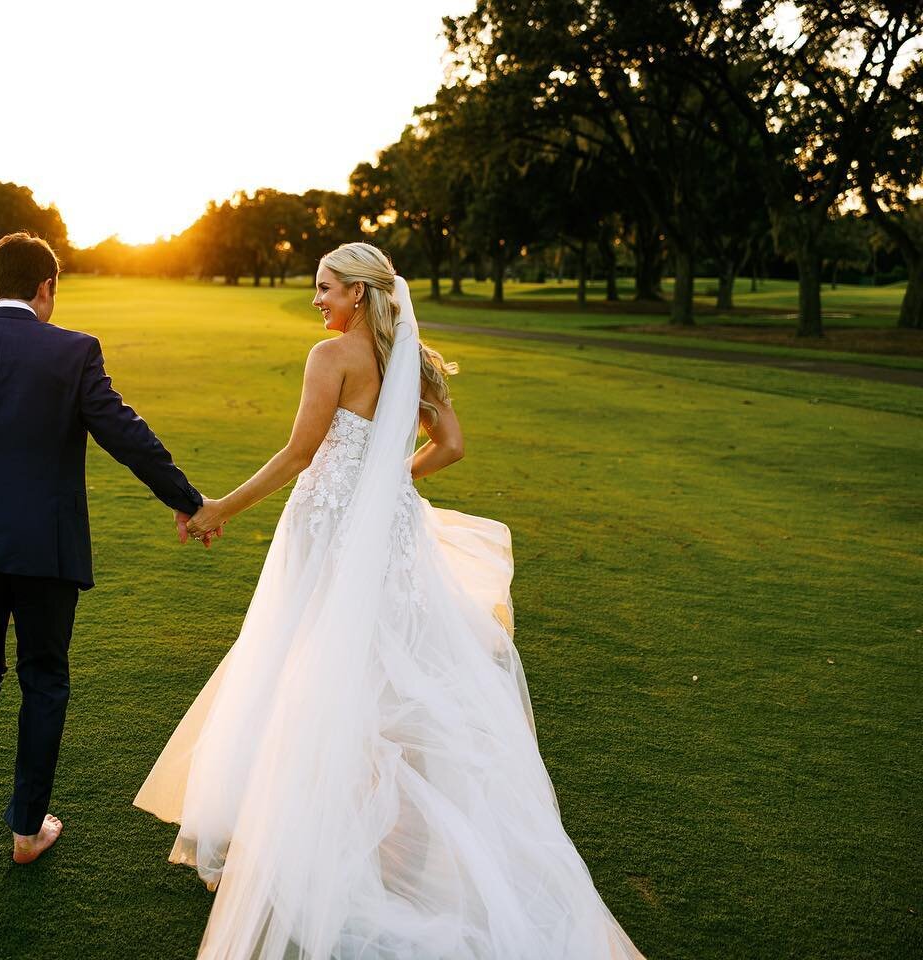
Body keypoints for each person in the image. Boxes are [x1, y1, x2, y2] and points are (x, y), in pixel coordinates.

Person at [135, 242, 647, 958]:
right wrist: (392, 477)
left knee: (309, 663)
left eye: (325, 288)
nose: (317, 300)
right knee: (388, 668)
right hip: (394, 533)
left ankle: (316, 843)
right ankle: (392, 845)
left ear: (358, 293)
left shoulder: (331, 359)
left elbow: (298, 454)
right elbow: (455, 445)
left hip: (333, 529)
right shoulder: (417, 360)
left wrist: (219, 507)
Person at [0, 232, 212, 886]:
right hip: (44, 549)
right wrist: (187, 499)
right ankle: (27, 830)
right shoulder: (74, 350)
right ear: (47, 287)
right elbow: (125, 435)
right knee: (44, 678)